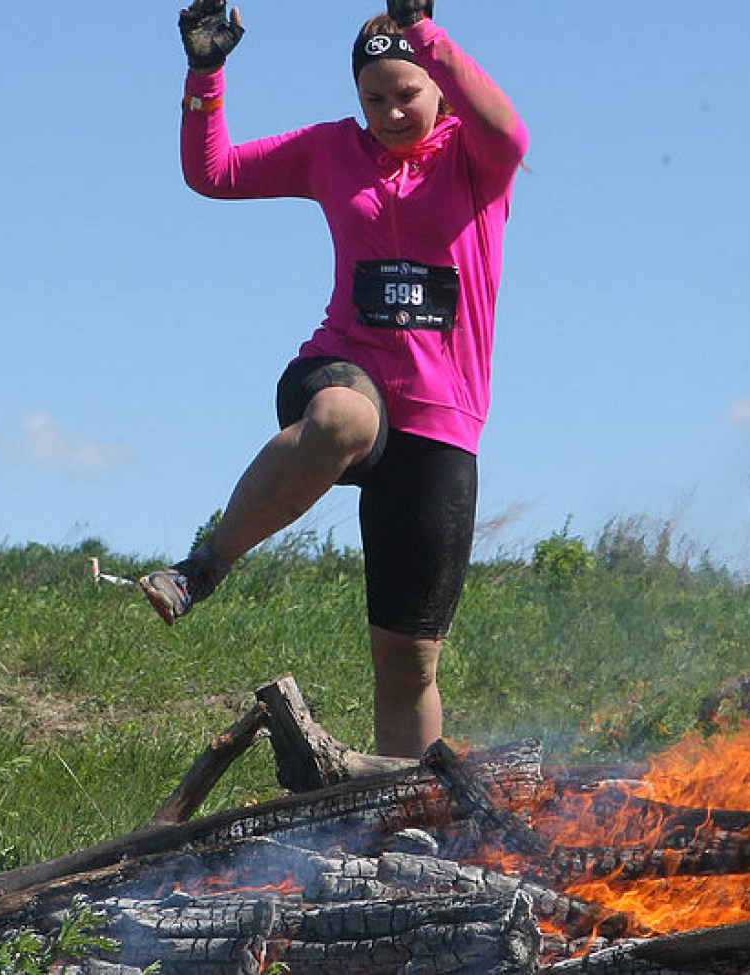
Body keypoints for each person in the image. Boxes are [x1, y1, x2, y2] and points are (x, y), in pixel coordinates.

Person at [140, 0, 528, 758]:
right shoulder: (331, 151)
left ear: (438, 85)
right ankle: (203, 568)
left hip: (440, 419)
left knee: (409, 661)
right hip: (339, 372)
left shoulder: (476, 157)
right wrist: (205, 72)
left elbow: (512, 129)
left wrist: (427, 33)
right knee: (345, 418)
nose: (388, 112)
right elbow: (211, 172)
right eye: (372, 98)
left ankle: (408, 825)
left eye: (405, 94)